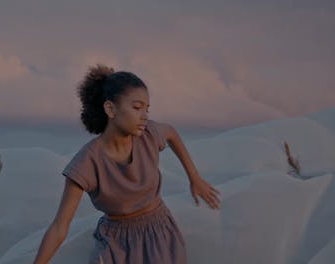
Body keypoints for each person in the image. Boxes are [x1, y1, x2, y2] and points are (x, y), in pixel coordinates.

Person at [34, 64, 221, 264]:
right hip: (116, 245)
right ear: (110, 109)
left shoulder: (148, 135)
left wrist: (194, 178)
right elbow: (60, 227)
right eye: (137, 107)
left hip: (159, 234)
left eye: (147, 109)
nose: (144, 116)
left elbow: (172, 133)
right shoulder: (86, 162)